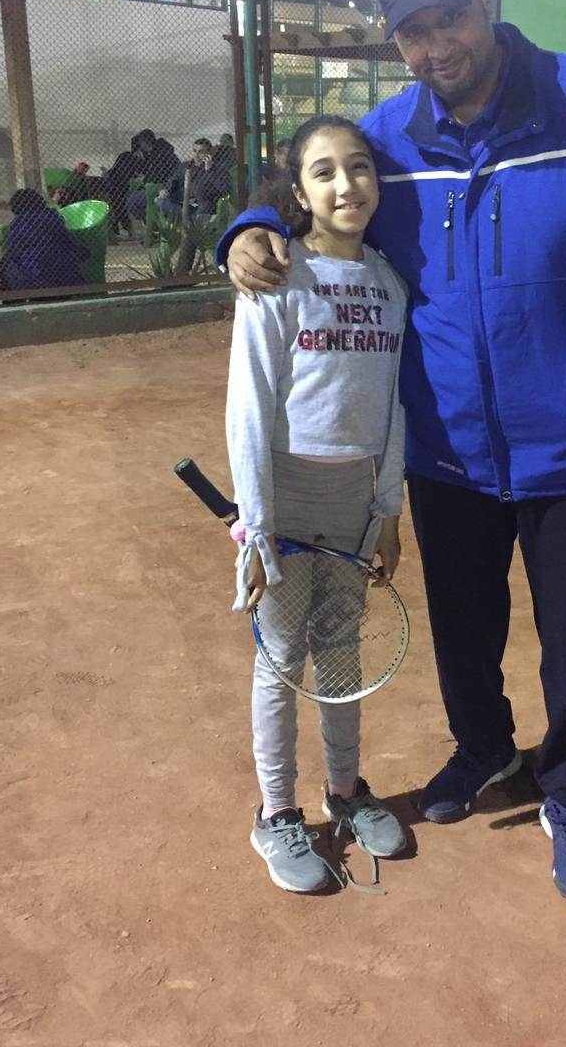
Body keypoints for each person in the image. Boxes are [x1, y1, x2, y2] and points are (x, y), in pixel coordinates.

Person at [218, 0, 566, 907]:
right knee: (465, 632)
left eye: (451, 18)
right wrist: (245, 232)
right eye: (413, 33)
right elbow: (309, 200)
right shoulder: (387, 141)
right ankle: (485, 747)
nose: (438, 46)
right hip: (447, 451)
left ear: (485, 0)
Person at [226, 114, 408, 893]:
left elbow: (393, 408)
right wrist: (257, 529)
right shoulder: (276, 277)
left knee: (339, 653)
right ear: (297, 192)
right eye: (325, 171)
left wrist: (387, 510)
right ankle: (276, 813)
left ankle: (344, 789)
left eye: (359, 167)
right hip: (286, 500)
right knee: (281, 663)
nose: (346, 185)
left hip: (353, 503)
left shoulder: (390, 284)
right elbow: (249, 408)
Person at [0, 188, 89, 292]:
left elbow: (13, 254)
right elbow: (69, 241)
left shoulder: (16, 225)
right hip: (65, 281)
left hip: (33, 284)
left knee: (6, 262)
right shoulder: (52, 216)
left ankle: (11, 298)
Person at [159, 138, 231, 221]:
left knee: (202, 207)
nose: (196, 155)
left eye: (201, 152)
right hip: (183, 203)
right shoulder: (186, 166)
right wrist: (166, 190)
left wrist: (209, 170)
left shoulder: (219, 168)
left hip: (203, 206)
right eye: (194, 151)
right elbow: (173, 179)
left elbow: (225, 190)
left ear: (209, 153)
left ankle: (192, 220)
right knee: (161, 202)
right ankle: (191, 220)